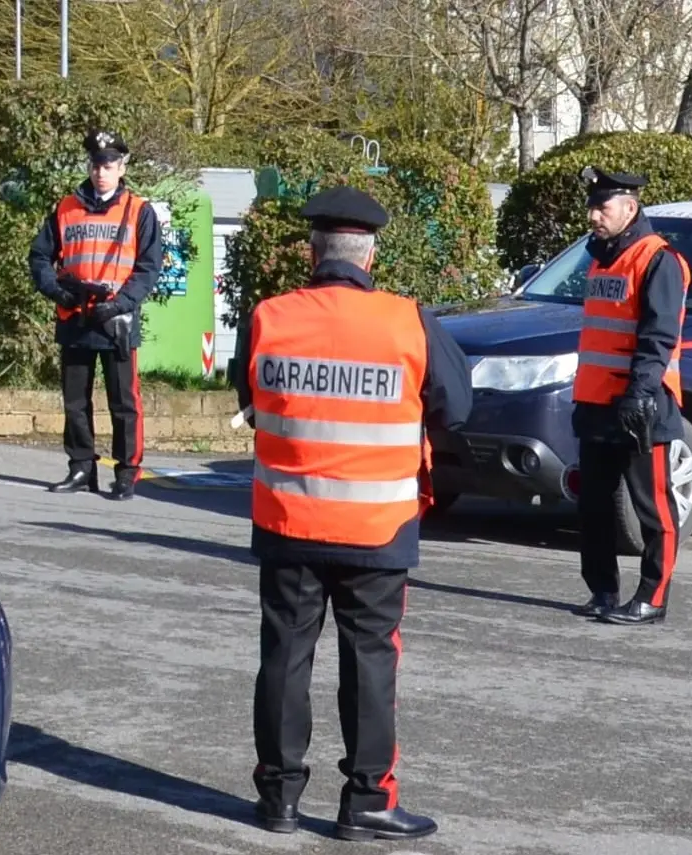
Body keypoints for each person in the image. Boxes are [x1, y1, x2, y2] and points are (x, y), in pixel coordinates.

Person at [230, 184, 472, 842]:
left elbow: (248, 394)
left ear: (313, 251)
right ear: (371, 254)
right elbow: (459, 405)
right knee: (369, 662)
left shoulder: (269, 317)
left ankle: (277, 797)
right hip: (376, 528)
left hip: (287, 521)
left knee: (284, 657)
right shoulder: (407, 320)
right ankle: (366, 800)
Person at [568, 165, 691, 626]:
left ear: (630, 208)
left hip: (642, 406)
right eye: (592, 207)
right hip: (598, 404)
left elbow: (659, 337)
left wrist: (639, 395)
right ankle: (603, 590)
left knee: (653, 508)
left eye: (602, 207)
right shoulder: (601, 257)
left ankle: (652, 598)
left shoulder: (658, 260)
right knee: (594, 507)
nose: (594, 216)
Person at [28, 127, 163, 500]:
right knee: (74, 400)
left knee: (124, 401)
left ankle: (126, 472)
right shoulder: (65, 207)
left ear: (122, 166)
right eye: (96, 163)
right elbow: (40, 256)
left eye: (109, 164)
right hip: (75, 315)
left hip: (117, 319)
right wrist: (57, 291)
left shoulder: (139, 211)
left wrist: (120, 304)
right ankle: (81, 467)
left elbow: (148, 267)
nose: (101, 170)